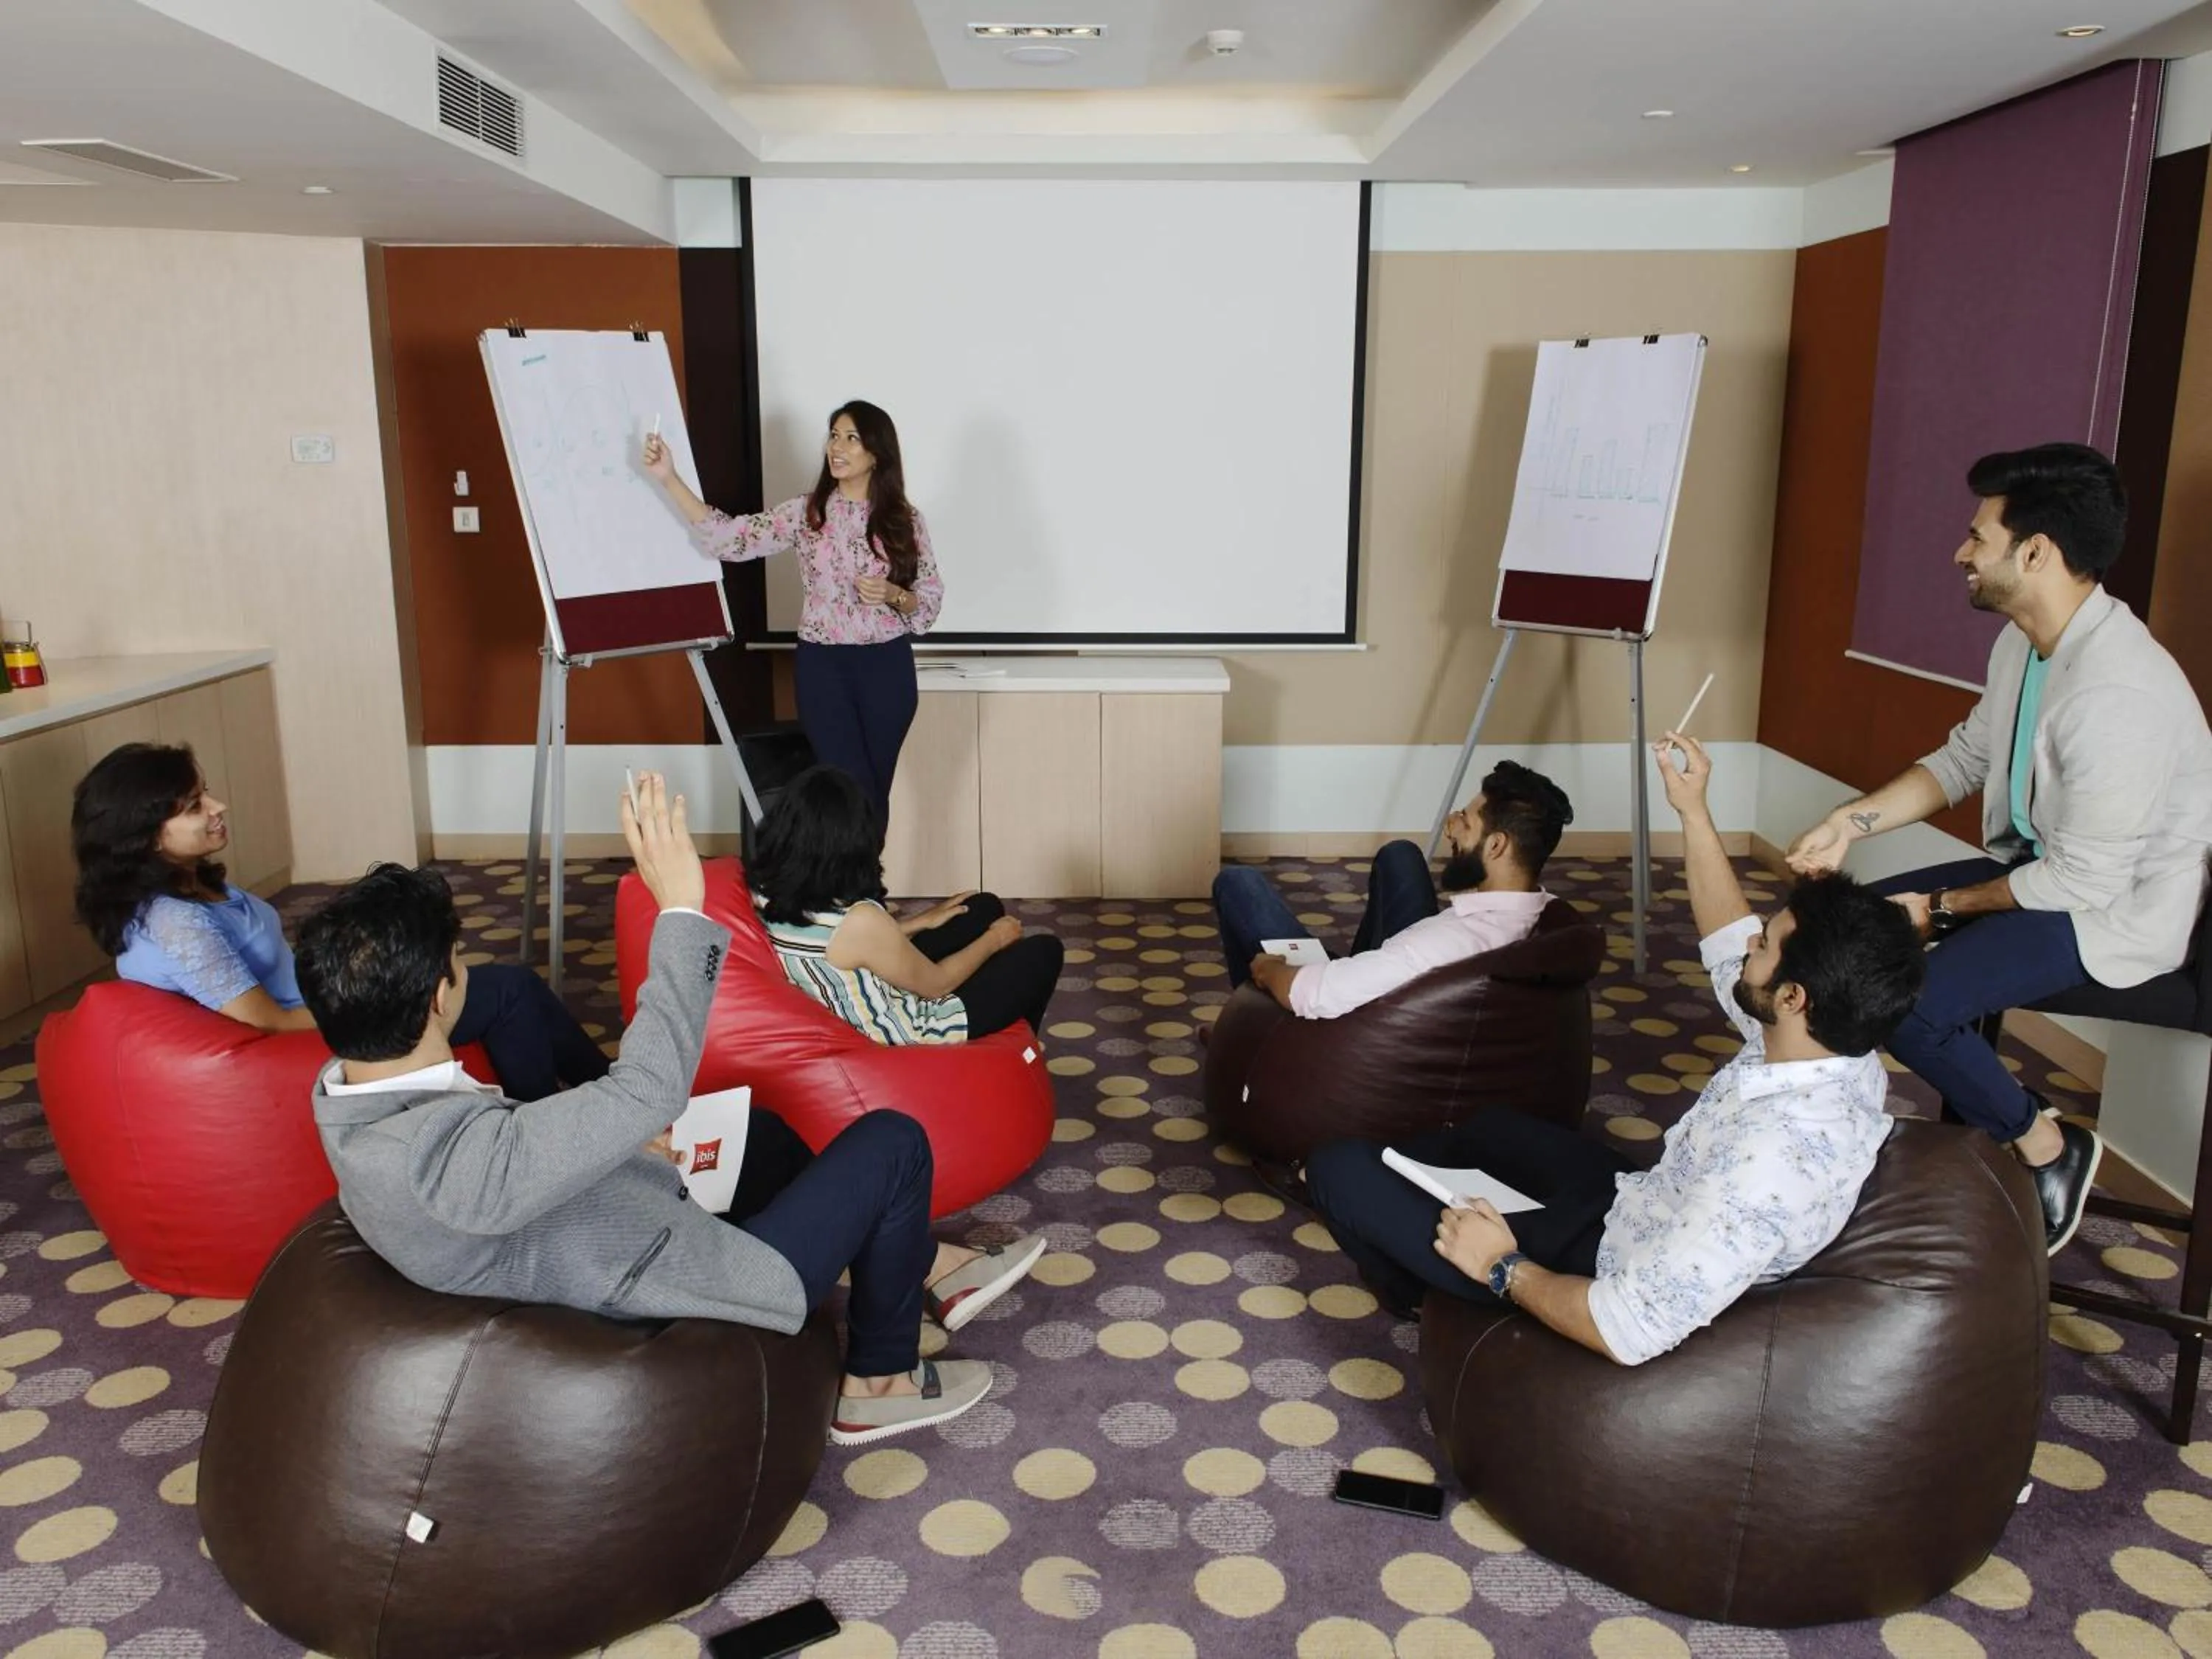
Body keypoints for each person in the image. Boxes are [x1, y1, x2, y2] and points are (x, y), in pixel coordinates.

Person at [300, 773, 1043, 1445]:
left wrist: (613, 1151)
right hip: (665, 1271)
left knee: (756, 1130)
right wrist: (680, 908)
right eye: (460, 962)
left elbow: (516, 1165)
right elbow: (643, 1091)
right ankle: (880, 1381)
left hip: (605, 1219)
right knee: (893, 1142)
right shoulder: (449, 1165)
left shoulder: (352, 1100)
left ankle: (921, 1265)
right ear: (438, 996)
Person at [1304, 734, 1925, 1362]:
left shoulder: (1770, 1166)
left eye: (1766, 944)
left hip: (1602, 1266)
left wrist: (1501, 1266)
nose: (1750, 944)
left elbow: (1629, 1329)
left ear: (1793, 997)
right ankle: (1427, 1214)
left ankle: (1428, 1292)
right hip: (1641, 1204)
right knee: (1492, 1129)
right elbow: (1725, 935)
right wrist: (1693, 809)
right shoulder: (1826, 1049)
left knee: (1336, 1170)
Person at [1784, 443, 2212, 1253]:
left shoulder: (2119, 692)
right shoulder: (2026, 642)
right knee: (1845, 933)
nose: (1960, 551)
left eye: (1978, 536)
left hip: (2110, 915)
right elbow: (1964, 761)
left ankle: (2047, 1147)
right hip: (2042, 874)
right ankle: (1830, 1150)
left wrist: (1939, 908)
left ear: (2036, 552)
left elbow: (2085, 880)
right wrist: (1853, 822)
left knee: (1908, 1003)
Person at [70, 742, 608, 1102]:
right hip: (316, 1036)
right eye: (193, 806)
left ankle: (610, 1100)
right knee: (511, 993)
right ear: (143, 836)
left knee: (514, 984)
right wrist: (386, 1004)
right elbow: (267, 1021)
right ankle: (552, 1126)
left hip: (320, 1003)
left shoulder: (184, 885)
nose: (218, 805)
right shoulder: (175, 925)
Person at [641, 401, 942, 821]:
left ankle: (863, 885)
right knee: (846, 786)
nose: (836, 447)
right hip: (824, 667)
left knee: (875, 788)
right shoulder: (807, 513)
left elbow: (927, 605)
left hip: (886, 667)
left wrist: (894, 593)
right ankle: (856, 884)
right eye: (833, 436)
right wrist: (668, 478)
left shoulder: (905, 521)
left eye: (851, 438)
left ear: (877, 454)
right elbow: (730, 539)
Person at [1212, 760, 1571, 1018]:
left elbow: (1315, 996)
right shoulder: (1542, 917)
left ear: (1495, 846)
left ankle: (1247, 1033)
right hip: (1385, 980)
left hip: (1351, 1019)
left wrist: (1269, 971)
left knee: (1237, 884)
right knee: (1400, 856)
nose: (1450, 830)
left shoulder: (1437, 948)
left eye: (1464, 822)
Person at [750, 764, 1063, 1043]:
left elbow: (848, 946)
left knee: (982, 907)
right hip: (913, 1029)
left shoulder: (767, 891)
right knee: (1043, 952)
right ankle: (1019, 1051)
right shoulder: (861, 920)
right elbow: (938, 985)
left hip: (863, 985)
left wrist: (920, 922)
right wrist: (996, 940)